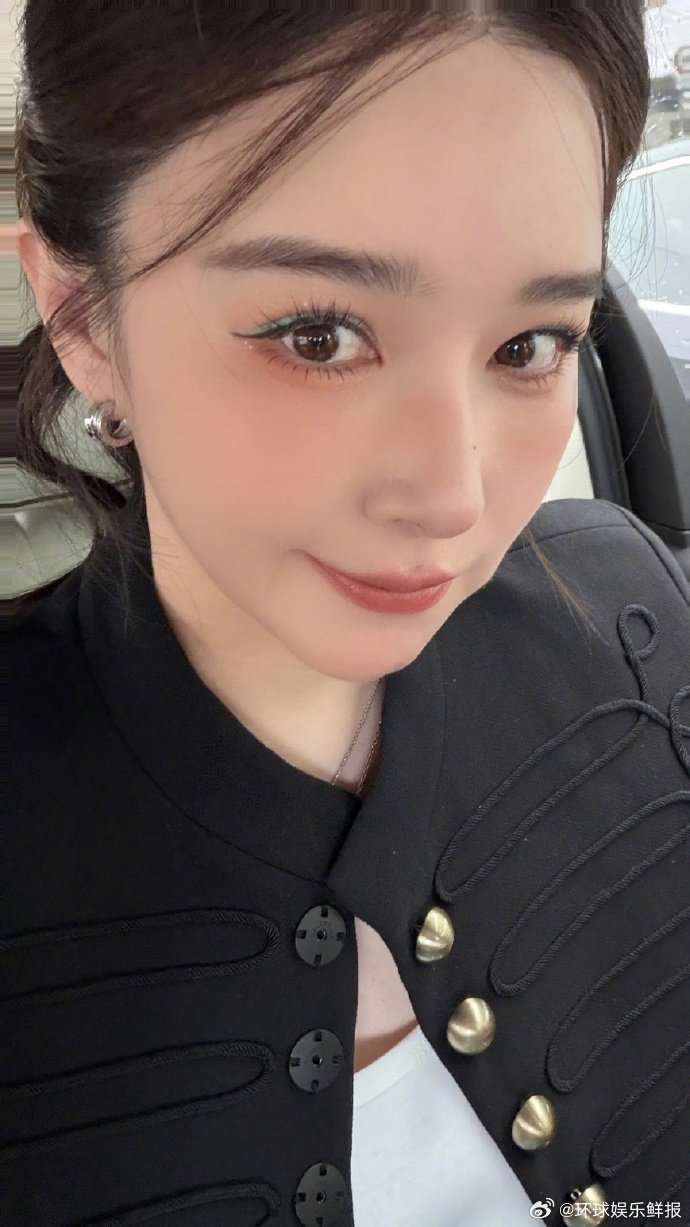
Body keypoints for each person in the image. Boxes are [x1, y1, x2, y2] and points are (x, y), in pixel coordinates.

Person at [7, 5, 689, 1226]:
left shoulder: (639, 620)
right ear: (80, 315)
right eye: (318, 336)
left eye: (531, 343)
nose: (453, 497)